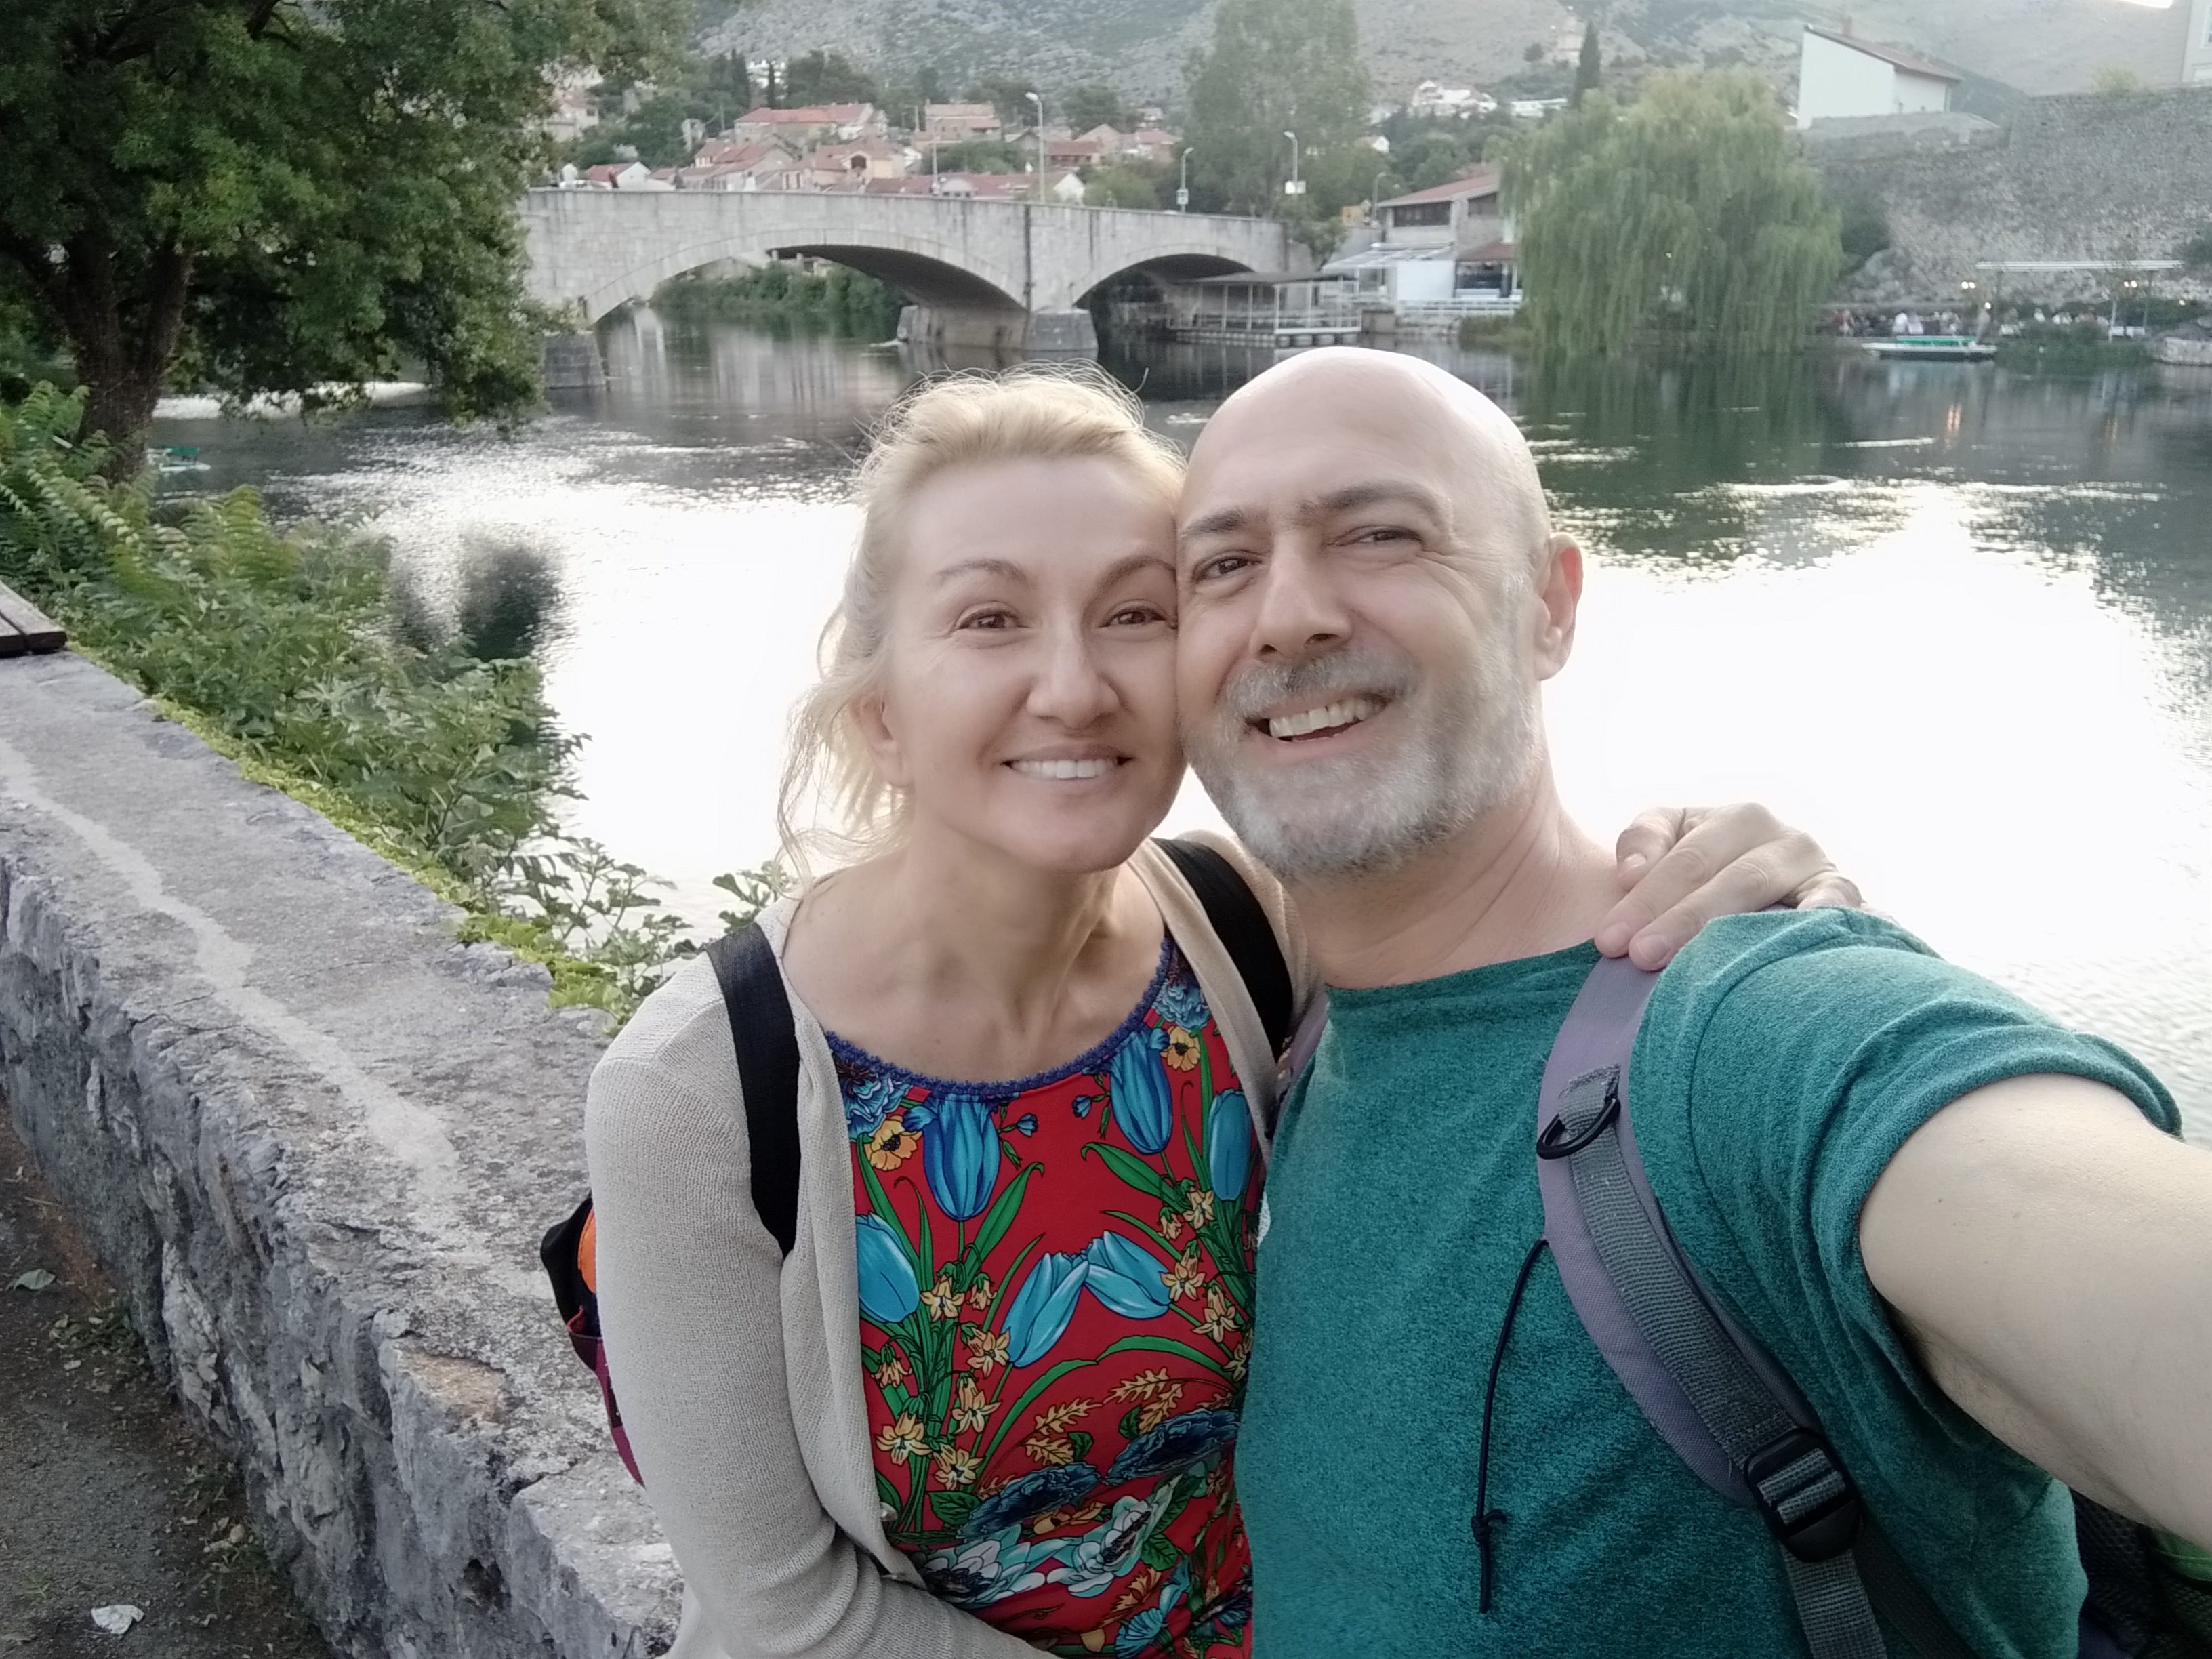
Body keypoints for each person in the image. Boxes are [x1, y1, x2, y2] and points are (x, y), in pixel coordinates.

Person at [583, 369, 1862, 1659]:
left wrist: (1746, 890)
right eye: (989, 619)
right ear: (881, 714)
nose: (1074, 687)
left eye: (1136, 612)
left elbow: (1507, 943)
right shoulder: (706, 1090)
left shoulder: (1250, 929)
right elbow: (785, 1609)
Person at [1170, 348, 2212, 1656]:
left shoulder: (1747, 1037)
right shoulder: (1272, 1019)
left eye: (1380, 534)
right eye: (1222, 565)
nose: (1286, 615)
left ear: (1550, 608)